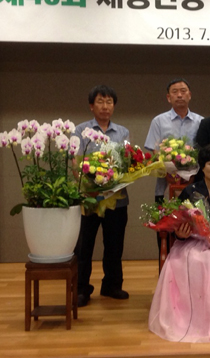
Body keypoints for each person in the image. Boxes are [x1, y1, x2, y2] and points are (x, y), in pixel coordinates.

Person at [148, 143, 210, 342]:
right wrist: (181, 234)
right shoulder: (191, 190)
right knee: (193, 260)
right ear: (202, 167)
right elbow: (179, 226)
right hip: (193, 243)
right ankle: (191, 318)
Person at [74, 85, 130, 307]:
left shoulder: (123, 132)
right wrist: (92, 183)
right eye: (100, 101)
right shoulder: (80, 130)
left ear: (114, 106)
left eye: (109, 102)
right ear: (91, 106)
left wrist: (115, 179)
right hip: (89, 198)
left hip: (117, 198)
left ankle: (112, 285)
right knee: (84, 246)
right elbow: (75, 163)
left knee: (114, 245)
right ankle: (81, 289)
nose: (105, 106)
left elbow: (127, 162)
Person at [144, 78, 203, 266]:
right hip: (164, 187)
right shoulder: (158, 121)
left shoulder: (201, 121)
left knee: (192, 233)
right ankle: (165, 273)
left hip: (193, 188)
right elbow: (153, 154)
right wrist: (167, 171)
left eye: (183, 91)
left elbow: (203, 154)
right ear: (168, 97)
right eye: (175, 92)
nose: (179, 95)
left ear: (190, 95)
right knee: (164, 233)